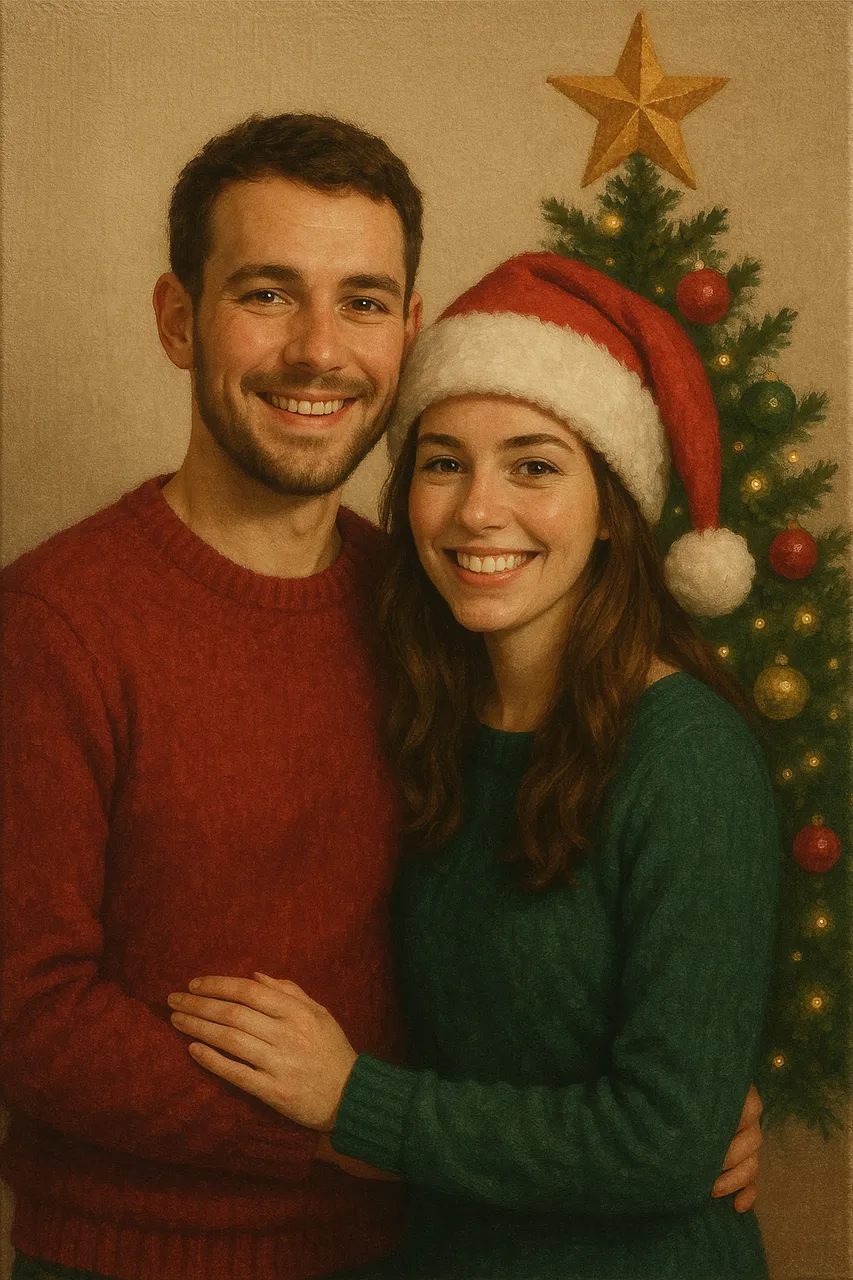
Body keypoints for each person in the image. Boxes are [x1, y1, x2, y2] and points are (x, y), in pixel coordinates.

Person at [0, 111, 760, 1280]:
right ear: (176, 318)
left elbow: (530, 953)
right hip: (142, 1253)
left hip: (401, 1246)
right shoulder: (54, 621)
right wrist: (335, 1128)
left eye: (360, 301)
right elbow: (27, 1010)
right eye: (265, 293)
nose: (319, 349)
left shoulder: (427, 613)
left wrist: (682, 1097)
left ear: (406, 332)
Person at [167, 254, 780, 1279]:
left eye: (534, 465)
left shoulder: (687, 759)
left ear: (612, 504)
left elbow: (664, 1141)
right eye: (443, 462)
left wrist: (352, 1102)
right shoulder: (423, 710)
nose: (476, 511)